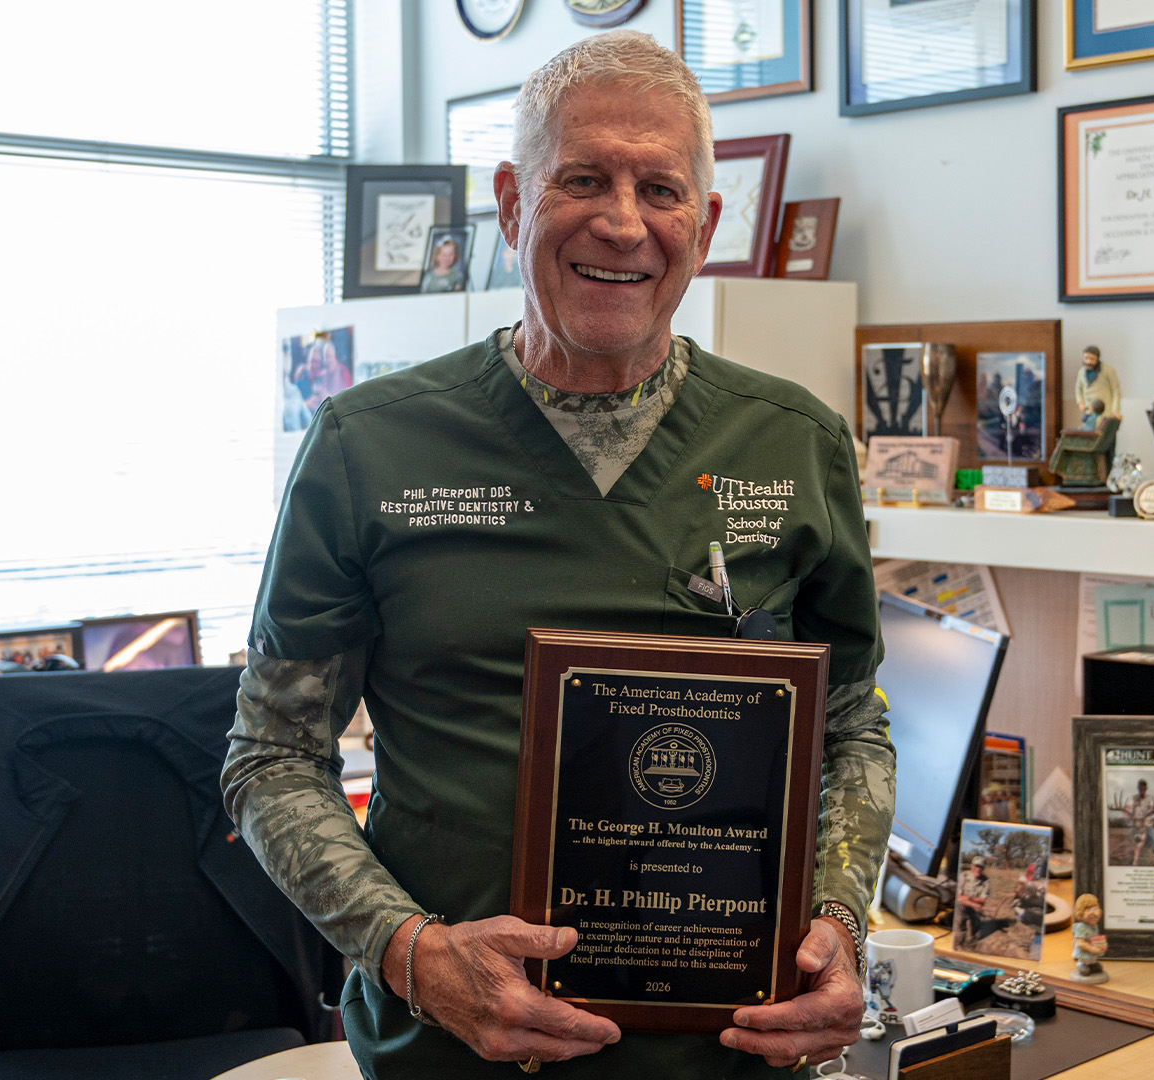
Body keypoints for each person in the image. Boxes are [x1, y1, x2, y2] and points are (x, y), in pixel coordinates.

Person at [222, 31, 891, 1079]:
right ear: (511, 201)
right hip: (449, 1056)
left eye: (660, 189)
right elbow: (270, 758)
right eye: (582, 178)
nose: (622, 222)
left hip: (728, 1058)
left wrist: (844, 926)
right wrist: (411, 954)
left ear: (705, 225)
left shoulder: (794, 443)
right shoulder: (368, 446)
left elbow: (851, 726)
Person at [1073, 345, 1120, 429]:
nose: (1088, 361)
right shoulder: (1081, 372)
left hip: (1105, 411)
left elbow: (1116, 391)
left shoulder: (1108, 370)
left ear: (1097, 358)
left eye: (1092, 359)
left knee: (1103, 431)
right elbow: (1078, 389)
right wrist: (1080, 402)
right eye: (1086, 358)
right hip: (1089, 411)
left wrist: (1115, 410)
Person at [1122, 779, 1154, 865]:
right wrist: (1127, 813)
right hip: (1136, 825)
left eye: (1144, 789)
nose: (1142, 791)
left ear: (1146, 788)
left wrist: (1152, 811)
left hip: (1146, 824)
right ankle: (1135, 860)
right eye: (1140, 789)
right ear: (1138, 788)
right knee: (1136, 843)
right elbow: (1127, 810)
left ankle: (1152, 858)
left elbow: (1152, 809)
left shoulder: (1150, 798)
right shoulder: (1132, 798)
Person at [1071, 893, 1108, 983]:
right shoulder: (1081, 927)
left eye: (1095, 909)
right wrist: (1091, 948)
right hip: (1084, 954)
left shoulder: (1094, 926)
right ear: (1080, 913)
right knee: (1085, 971)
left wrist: (1101, 945)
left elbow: (1095, 938)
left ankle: (1092, 964)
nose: (1094, 913)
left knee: (1097, 968)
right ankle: (1082, 965)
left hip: (1092, 954)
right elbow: (1080, 943)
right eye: (1089, 910)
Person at [955, 857, 992, 945]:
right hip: (964, 907)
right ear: (972, 866)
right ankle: (960, 939)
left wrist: (969, 898)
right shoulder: (963, 876)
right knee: (960, 918)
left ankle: (971, 938)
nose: (978, 869)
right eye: (976, 866)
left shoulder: (986, 881)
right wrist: (974, 904)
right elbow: (958, 898)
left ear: (983, 869)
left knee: (975, 931)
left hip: (975, 910)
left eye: (980, 867)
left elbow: (983, 900)